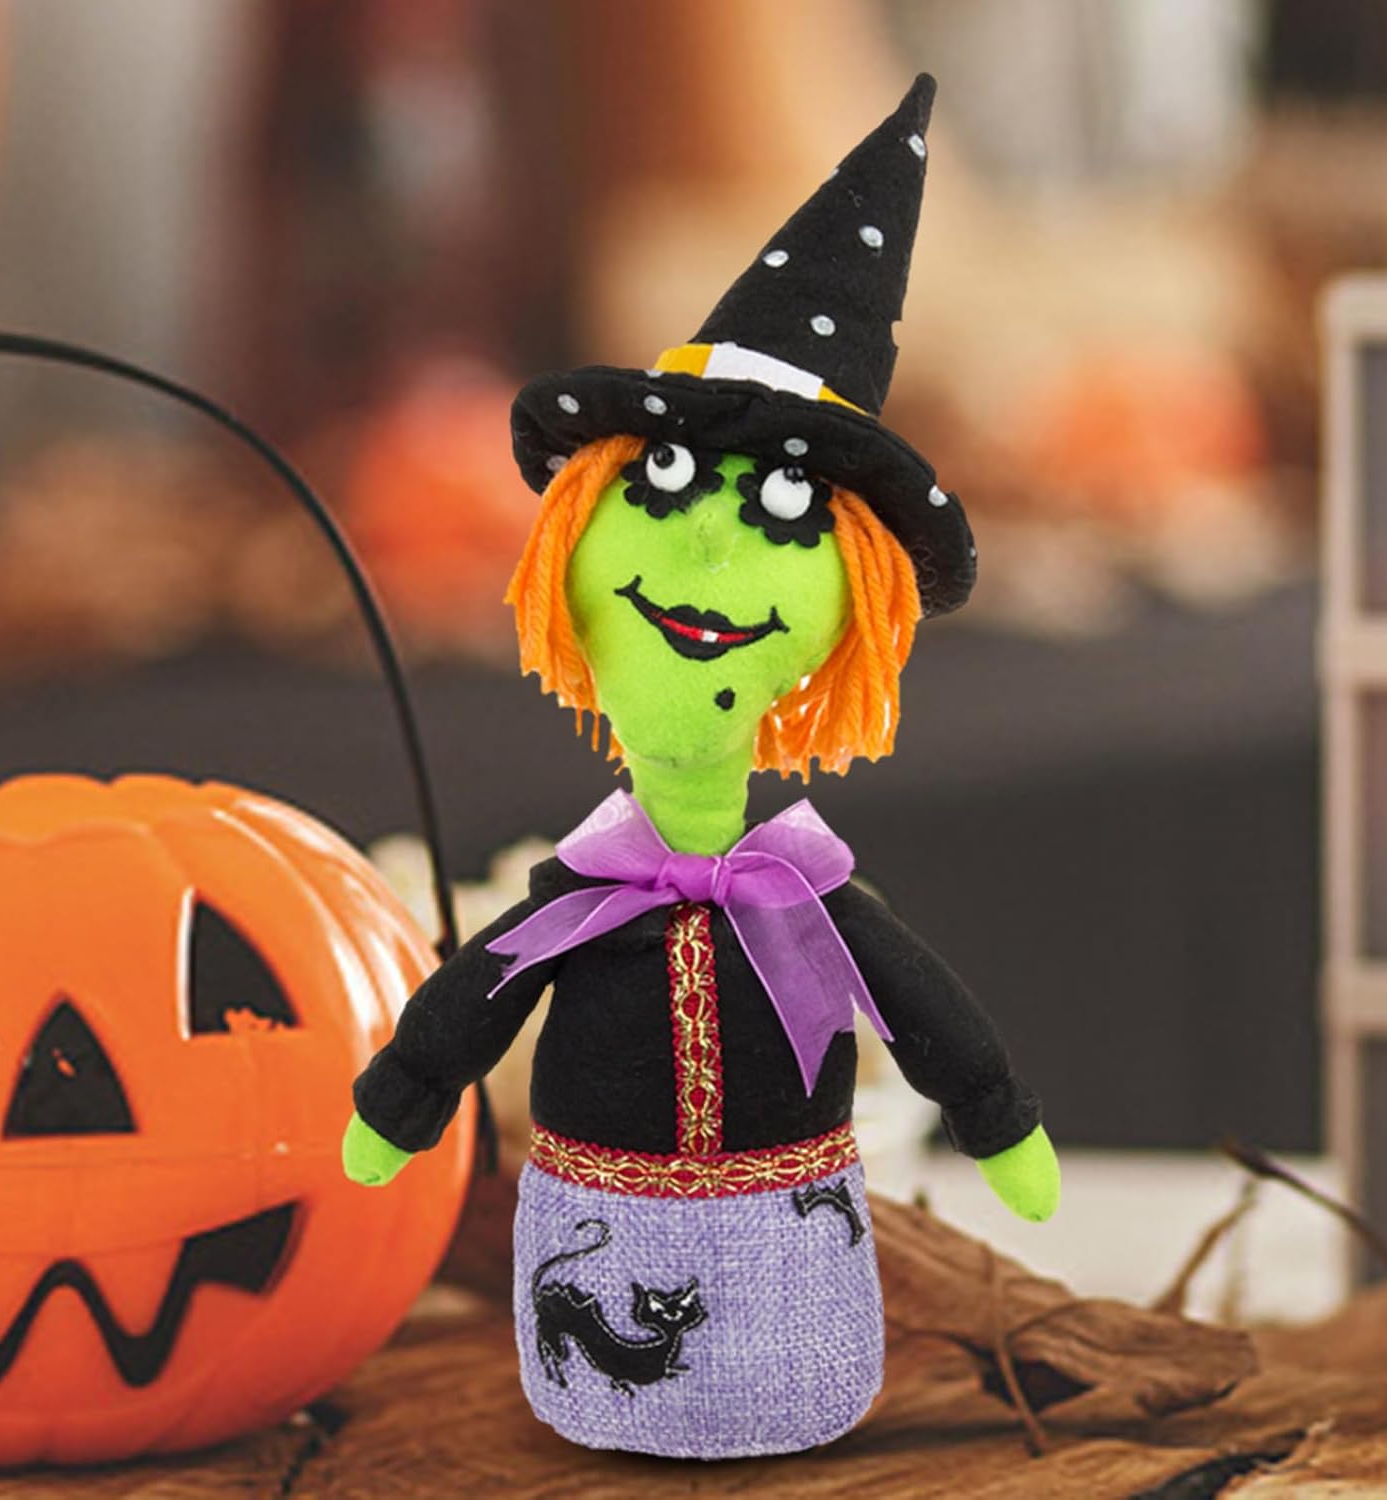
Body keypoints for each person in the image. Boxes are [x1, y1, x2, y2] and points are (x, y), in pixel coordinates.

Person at [343, 74, 1059, 1460]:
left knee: (792, 1358)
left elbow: (918, 1006)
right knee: (597, 1348)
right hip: (595, 1215)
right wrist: (404, 1094)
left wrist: (994, 1111)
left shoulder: (803, 895)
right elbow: (482, 994)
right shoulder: (586, 892)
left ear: (856, 597)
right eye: (664, 488)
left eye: (786, 507)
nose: (715, 555)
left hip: (787, 1225)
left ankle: (781, 1381)